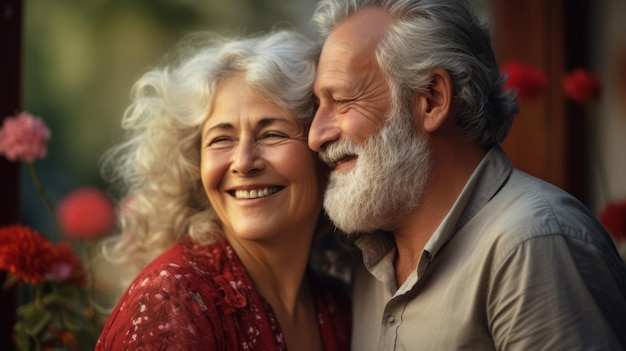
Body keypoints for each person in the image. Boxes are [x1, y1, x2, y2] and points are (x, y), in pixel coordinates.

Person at [308, 0, 626, 350]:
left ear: (432, 98)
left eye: (342, 100)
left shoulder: (532, 244)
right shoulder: (367, 255)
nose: (315, 135)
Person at [95, 30, 351, 351]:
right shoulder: (173, 305)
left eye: (272, 133)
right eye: (221, 139)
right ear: (194, 164)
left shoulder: (338, 307)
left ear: (325, 150)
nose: (243, 163)